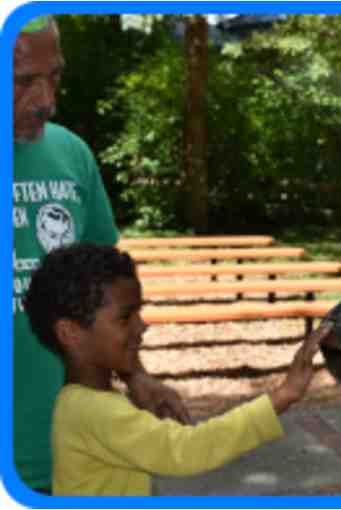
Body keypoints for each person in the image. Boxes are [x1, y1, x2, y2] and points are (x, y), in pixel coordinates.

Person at [13, 15, 190, 494]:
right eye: (24, 81)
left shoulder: (72, 155)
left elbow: (108, 296)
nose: (45, 101)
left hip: (84, 452)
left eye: (55, 77)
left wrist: (136, 376)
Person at [22, 243, 330, 496]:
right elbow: (187, 450)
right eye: (126, 317)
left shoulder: (82, 401)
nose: (142, 325)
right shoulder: (96, 411)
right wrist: (282, 396)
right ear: (70, 333)